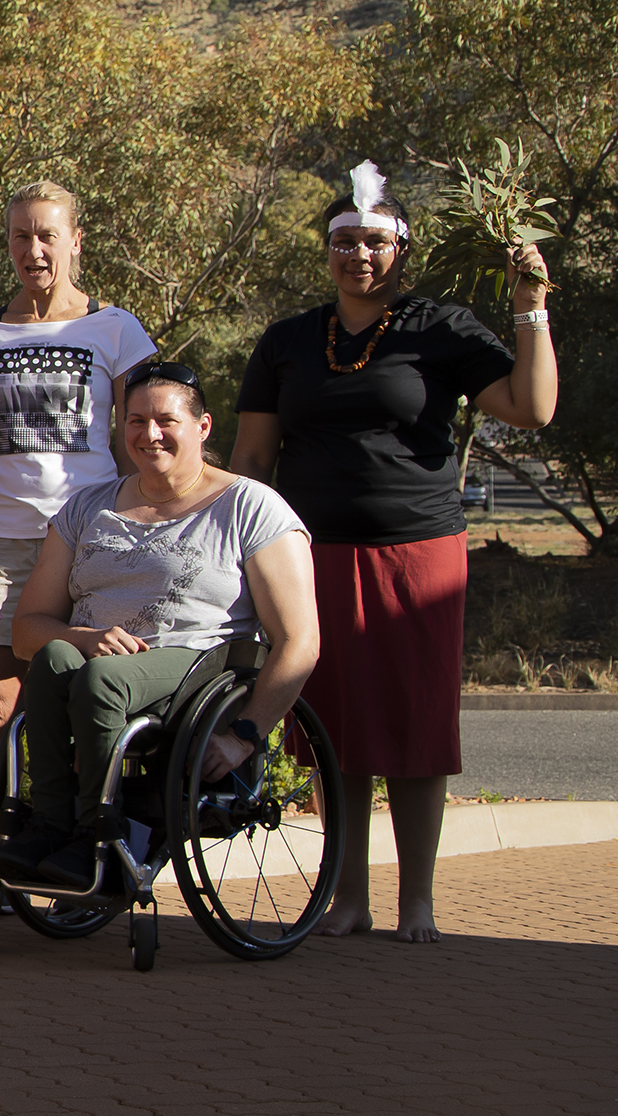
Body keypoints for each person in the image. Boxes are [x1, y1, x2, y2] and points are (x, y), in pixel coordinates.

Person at [232, 163, 556, 942]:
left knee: (414, 725)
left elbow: (532, 407)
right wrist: (237, 556)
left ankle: (417, 901)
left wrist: (531, 310)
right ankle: (349, 899)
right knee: (332, 725)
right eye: (346, 241)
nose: (360, 256)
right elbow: (250, 463)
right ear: (330, 249)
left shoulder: (438, 329)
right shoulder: (287, 343)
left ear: (402, 250)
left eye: (376, 241)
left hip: (420, 556)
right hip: (312, 557)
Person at [0, 362, 320, 892]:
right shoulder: (87, 508)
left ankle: (100, 834)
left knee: (102, 680)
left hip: (195, 667)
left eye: (166, 421)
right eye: (135, 421)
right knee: (54, 657)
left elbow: (299, 641)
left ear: (203, 426)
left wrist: (245, 735)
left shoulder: (249, 506)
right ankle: (50, 825)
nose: (149, 435)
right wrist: (80, 637)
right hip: (91, 661)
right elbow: (27, 630)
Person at [0, 182, 154, 813]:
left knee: (85, 705)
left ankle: (77, 852)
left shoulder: (116, 331)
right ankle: (2, 859)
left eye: (47, 234)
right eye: (21, 236)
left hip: (93, 541)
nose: (34, 249)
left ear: (74, 241)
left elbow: (147, 436)